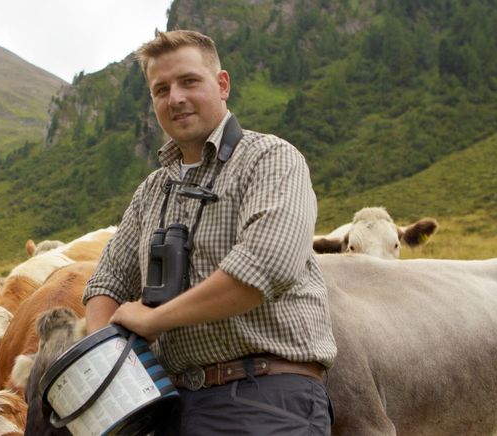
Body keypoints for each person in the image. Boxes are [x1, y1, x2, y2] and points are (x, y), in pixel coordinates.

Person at [83, 29, 336, 435]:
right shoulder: (152, 189)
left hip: (265, 397)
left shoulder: (270, 159)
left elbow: (267, 265)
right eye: (160, 89)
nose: (175, 98)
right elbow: (106, 281)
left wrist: (155, 320)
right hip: (170, 406)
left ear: (222, 85)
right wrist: (113, 364)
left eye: (189, 81)